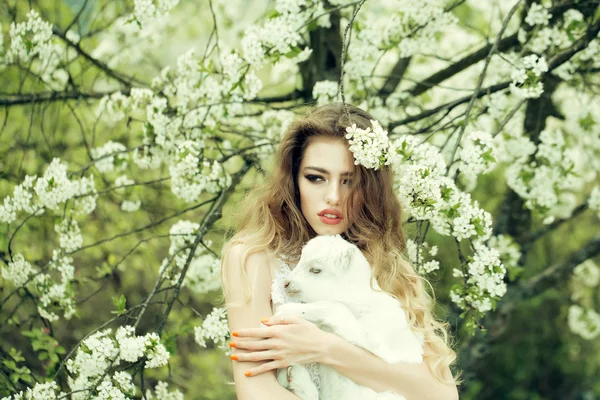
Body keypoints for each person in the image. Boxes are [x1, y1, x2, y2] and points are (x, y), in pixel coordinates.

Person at [220, 103, 460, 400]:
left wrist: (327, 348)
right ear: (294, 180)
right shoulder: (252, 256)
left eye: (350, 181)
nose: (333, 196)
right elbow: (256, 390)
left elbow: (441, 394)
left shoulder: (386, 267)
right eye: (315, 177)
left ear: (370, 189)